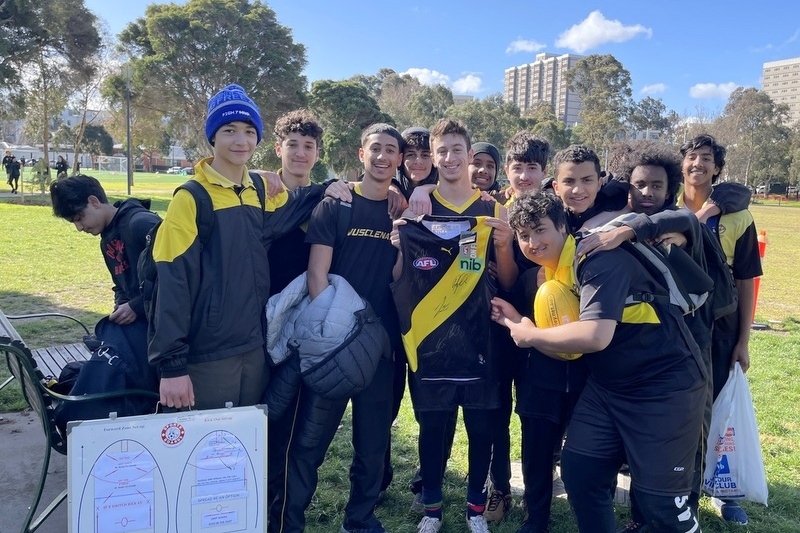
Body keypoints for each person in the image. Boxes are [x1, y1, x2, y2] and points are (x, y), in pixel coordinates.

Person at [492, 190, 706, 533]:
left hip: (664, 387)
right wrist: (517, 322)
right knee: (580, 472)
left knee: (662, 505)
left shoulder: (596, 257)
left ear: (563, 226)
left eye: (539, 230)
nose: (532, 242)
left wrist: (529, 335)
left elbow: (595, 336)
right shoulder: (553, 275)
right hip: (608, 387)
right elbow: (568, 348)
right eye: (523, 235)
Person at [147, 83, 322, 411]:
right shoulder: (192, 198)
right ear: (212, 137)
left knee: (248, 450)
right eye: (229, 130)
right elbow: (172, 283)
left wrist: (346, 187)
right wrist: (171, 367)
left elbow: (296, 206)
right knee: (207, 453)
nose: (240, 141)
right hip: (208, 354)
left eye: (248, 131)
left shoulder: (258, 189)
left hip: (254, 347)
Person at [269, 123, 403, 533]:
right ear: (361, 154)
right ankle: (289, 522)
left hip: (382, 350)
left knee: (373, 445)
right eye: (375, 149)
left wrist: (403, 244)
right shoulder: (336, 204)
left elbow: (400, 280)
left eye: (391, 151)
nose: (382, 157)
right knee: (309, 445)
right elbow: (317, 277)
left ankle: (359, 519)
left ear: (399, 160)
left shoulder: (403, 213)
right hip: (333, 345)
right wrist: (337, 340)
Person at [397, 118, 516, 533]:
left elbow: (508, 278)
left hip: (481, 340)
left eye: (456, 150)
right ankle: (431, 511)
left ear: (470, 156)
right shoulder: (418, 208)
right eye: (441, 151)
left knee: (480, 429)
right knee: (431, 428)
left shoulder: (493, 210)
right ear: (434, 156)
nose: (449, 158)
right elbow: (400, 277)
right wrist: (400, 246)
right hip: (430, 343)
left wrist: (503, 245)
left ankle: (475, 512)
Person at [678, 134, 762, 526]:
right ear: (682, 165)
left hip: (721, 325)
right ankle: (680, 487)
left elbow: (746, 280)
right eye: (691, 157)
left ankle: (724, 491)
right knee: (680, 407)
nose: (697, 164)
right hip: (675, 323)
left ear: (716, 168)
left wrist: (743, 340)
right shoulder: (663, 203)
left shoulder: (739, 217)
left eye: (706, 158)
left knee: (718, 410)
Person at [50, 174, 161, 325]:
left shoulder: (141, 224)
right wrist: (121, 306)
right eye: (73, 222)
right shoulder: (106, 241)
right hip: (144, 323)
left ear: (94, 201)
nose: (79, 228)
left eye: (79, 218)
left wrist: (136, 307)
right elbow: (122, 285)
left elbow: (177, 276)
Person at [500, 131, 550, 204]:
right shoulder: (495, 208)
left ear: (544, 172)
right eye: (517, 168)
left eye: (532, 168)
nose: (524, 177)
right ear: (507, 172)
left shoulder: (555, 212)